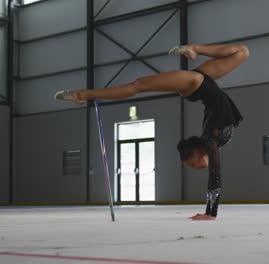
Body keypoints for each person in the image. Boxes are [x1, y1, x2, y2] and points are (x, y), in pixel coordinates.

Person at [55, 44, 249, 220]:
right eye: (192, 164)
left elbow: (214, 173)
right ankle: (194, 49)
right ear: (197, 152)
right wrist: (211, 214)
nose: (195, 168)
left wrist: (210, 213)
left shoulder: (209, 141)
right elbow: (215, 175)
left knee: (138, 85)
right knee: (242, 52)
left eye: (191, 165)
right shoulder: (210, 143)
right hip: (199, 82)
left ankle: (82, 94)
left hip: (197, 84)